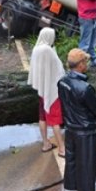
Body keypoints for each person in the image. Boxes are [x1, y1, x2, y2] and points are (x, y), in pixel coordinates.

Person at [58, 48, 96, 191]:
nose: (88, 64)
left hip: (70, 130)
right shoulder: (85, 88)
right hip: (85, 133)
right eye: (86, 61)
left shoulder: (62, 82)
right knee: (87, 166)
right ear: (81, 65)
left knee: (71, 162)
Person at [27, 27, 66, 156]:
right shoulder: (48, 50)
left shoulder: (36, 48)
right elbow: (58, 68)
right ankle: (62, 148)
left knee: (42, 117)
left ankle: (46, 143)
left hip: (42, 89)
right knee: (55, 120)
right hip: (51, 90)